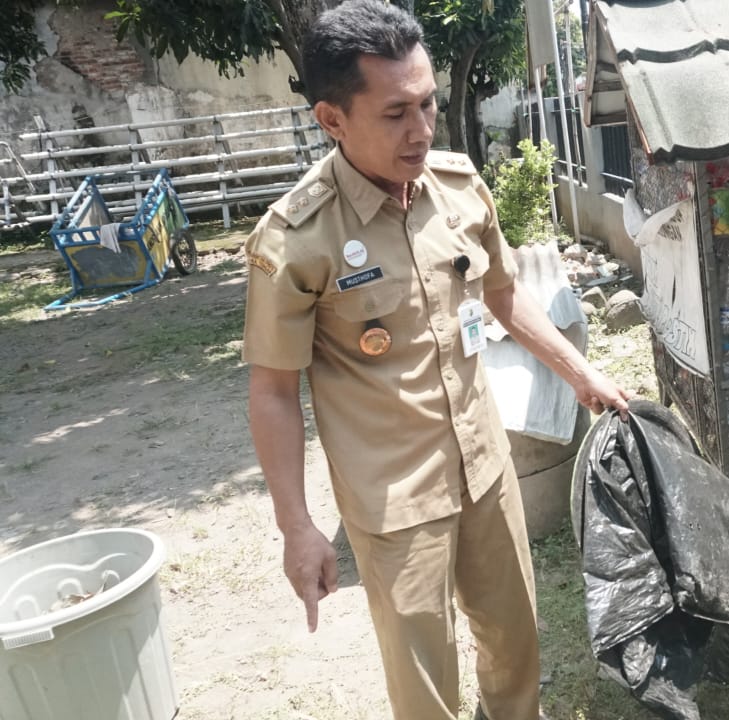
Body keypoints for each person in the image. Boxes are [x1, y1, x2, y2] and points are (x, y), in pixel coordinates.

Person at [241, 2, 631, 719]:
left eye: (426, 103)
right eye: (395, 113)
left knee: (514, 641)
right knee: (425, 679)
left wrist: (581, 374)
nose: (421, 129)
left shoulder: (457, 186)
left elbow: (504, 295)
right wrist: (296, 524)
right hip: (393, 495)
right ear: (332, 119)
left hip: (484, 463)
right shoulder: (296, 238)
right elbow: (272, 391)